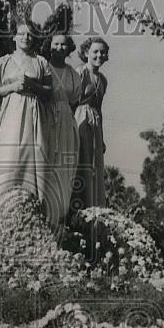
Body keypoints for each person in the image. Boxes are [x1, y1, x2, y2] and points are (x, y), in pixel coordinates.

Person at [0, 20, 59, 223]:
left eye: (29, 34)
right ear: (14, 37)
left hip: (33, 114)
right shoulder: (4, 62)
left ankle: (31, 214)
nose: (26, 37)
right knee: (8, 157)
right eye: (22, 34)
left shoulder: (41, 62)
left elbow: (49, 91)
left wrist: (32, 85)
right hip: (10, 112)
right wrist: (12, 88)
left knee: (31, 156)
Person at [43, 33, 81, 222]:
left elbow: (74, 100)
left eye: (63, 45)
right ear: (49, 45)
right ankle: (43, 213)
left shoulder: (73, 74)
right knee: (47, 160)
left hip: (66, 120)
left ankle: (59, 216)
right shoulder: (43, 66)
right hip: (46, 117)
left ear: (69, 48)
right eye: (56, 44)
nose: (59, 48)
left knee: (63, 165)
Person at [73, 36, 109, 210]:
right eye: (95, 52)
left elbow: (100, 109)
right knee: (81, 163)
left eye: (103, 52)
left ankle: (93, 207)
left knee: (94, 166)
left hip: (95, 123)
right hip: (80, 118)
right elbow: (72, 101)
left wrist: (101, 138)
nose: (99, 55)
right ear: (87, 52)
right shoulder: (80, 72)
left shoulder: (103, 80)